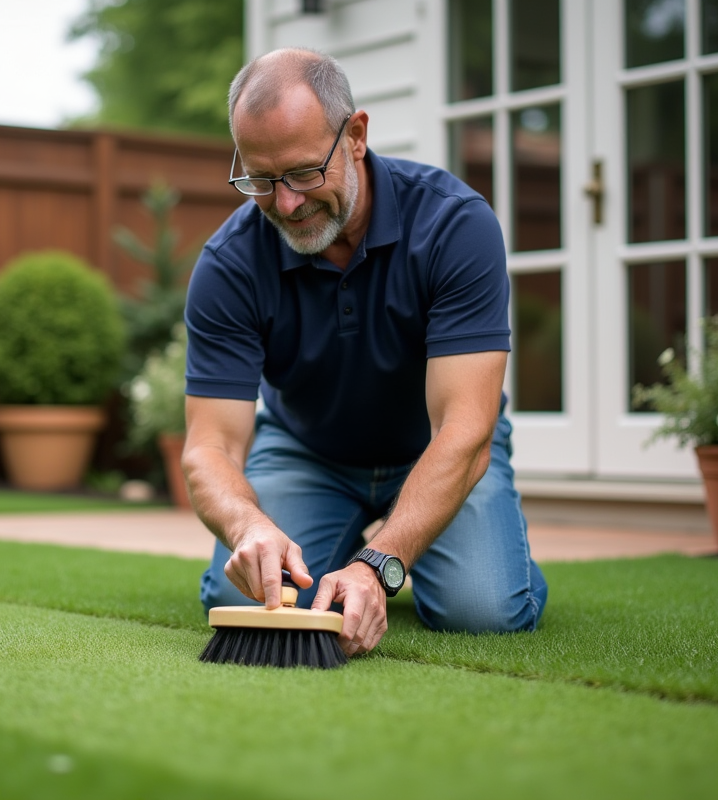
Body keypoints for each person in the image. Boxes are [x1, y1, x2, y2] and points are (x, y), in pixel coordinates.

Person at [182, 47, 547, 658]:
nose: (286, 204)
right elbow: (209, 447)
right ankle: (334, 545)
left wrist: (380, 565)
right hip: (307, 451)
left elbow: (464, 429)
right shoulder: (229, 264)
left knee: (483, 609)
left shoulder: (455, 225)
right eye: (261, 181)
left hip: (433, 449)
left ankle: (447, 555)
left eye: (301, 174)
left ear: (355, 136)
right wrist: (250, 525)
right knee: (250, 594)